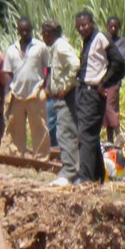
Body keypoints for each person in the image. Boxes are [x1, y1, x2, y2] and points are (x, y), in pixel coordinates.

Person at [75, 10, 125, 183]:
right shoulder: (87, 41)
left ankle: (86, 177)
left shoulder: (100, 38)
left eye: (85, 25)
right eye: (78, 26)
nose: (82, 29)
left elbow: (119, 64)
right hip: (84, 91)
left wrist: (104, 83)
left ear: (93, 24)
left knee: (86, 134)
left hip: (93, 93)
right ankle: (97, 176)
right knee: (91, 135)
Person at [4, 17, 51, 159]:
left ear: (31, 30)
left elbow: (49, 68)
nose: (24, 32)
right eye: (21, 30)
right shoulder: (11, 50)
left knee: (39, 127)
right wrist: (8, 90)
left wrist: (46, 88)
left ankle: (41, 158)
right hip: (17, 95)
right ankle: (17, 156)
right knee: (16, 128)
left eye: (27, 30)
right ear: (18, 30)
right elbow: (7, 72)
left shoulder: (40, 47)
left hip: (35, 93)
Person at [42, 19, 82, 186]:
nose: (43, 38)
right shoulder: (57, 47)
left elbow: (75, 64)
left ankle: (69, 172)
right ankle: (73, 171)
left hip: (66, 97)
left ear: (48, 34)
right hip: (61, 97)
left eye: (43, 34)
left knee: (65, 133)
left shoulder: (61, 46)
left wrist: (65, 87)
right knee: (66, 132)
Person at [103, 16, 125, 145]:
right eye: (110, 26)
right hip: (102, 79)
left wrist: (109, 45)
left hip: (114, 80)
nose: (113, 29)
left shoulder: (122, 42)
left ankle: (118, 133)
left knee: (110, 106)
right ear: (107, 26)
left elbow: (119, 60)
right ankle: (110, 141)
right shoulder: (102, 40)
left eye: (115, 26)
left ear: (118, 28)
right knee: (105, 109)